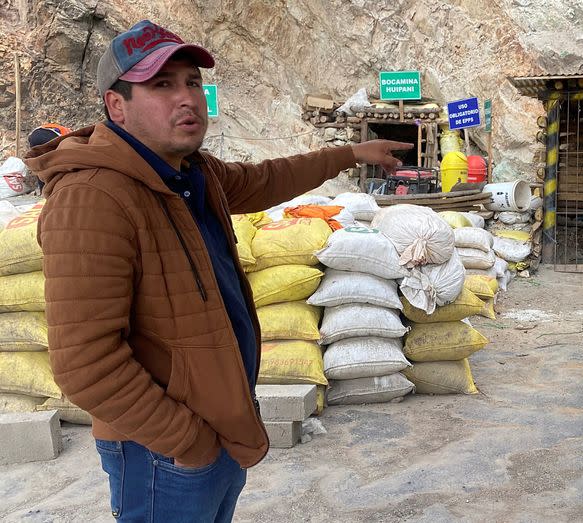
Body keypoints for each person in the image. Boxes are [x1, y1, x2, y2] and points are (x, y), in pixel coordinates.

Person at [24, 19, 411, 523]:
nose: (186, 98)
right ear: (116, 106)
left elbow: (265, 179)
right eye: (161, 85)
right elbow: (85, 366)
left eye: (191, 82)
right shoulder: (93, 197)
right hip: (160, 451)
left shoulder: (189, 172)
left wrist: (350, 154)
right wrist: (189, 443)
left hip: (215, 427)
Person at [27, 123, 71, 193]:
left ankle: (43, 191)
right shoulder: (69, 135)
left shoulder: (58, 128)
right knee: (55, 165)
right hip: (50, 137)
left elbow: (29, 138)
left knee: (39, 165)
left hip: (34, 136)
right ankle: (54, 190)